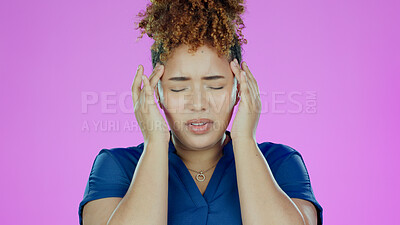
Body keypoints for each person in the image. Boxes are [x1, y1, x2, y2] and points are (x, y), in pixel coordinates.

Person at [78, 0, 323, 224]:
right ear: (157, 94)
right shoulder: (117, 166)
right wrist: (155, 142)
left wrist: (244, 139)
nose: (198, 103)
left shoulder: (280, 162)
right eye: (179, 88)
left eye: (215, 86)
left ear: (240, 88)